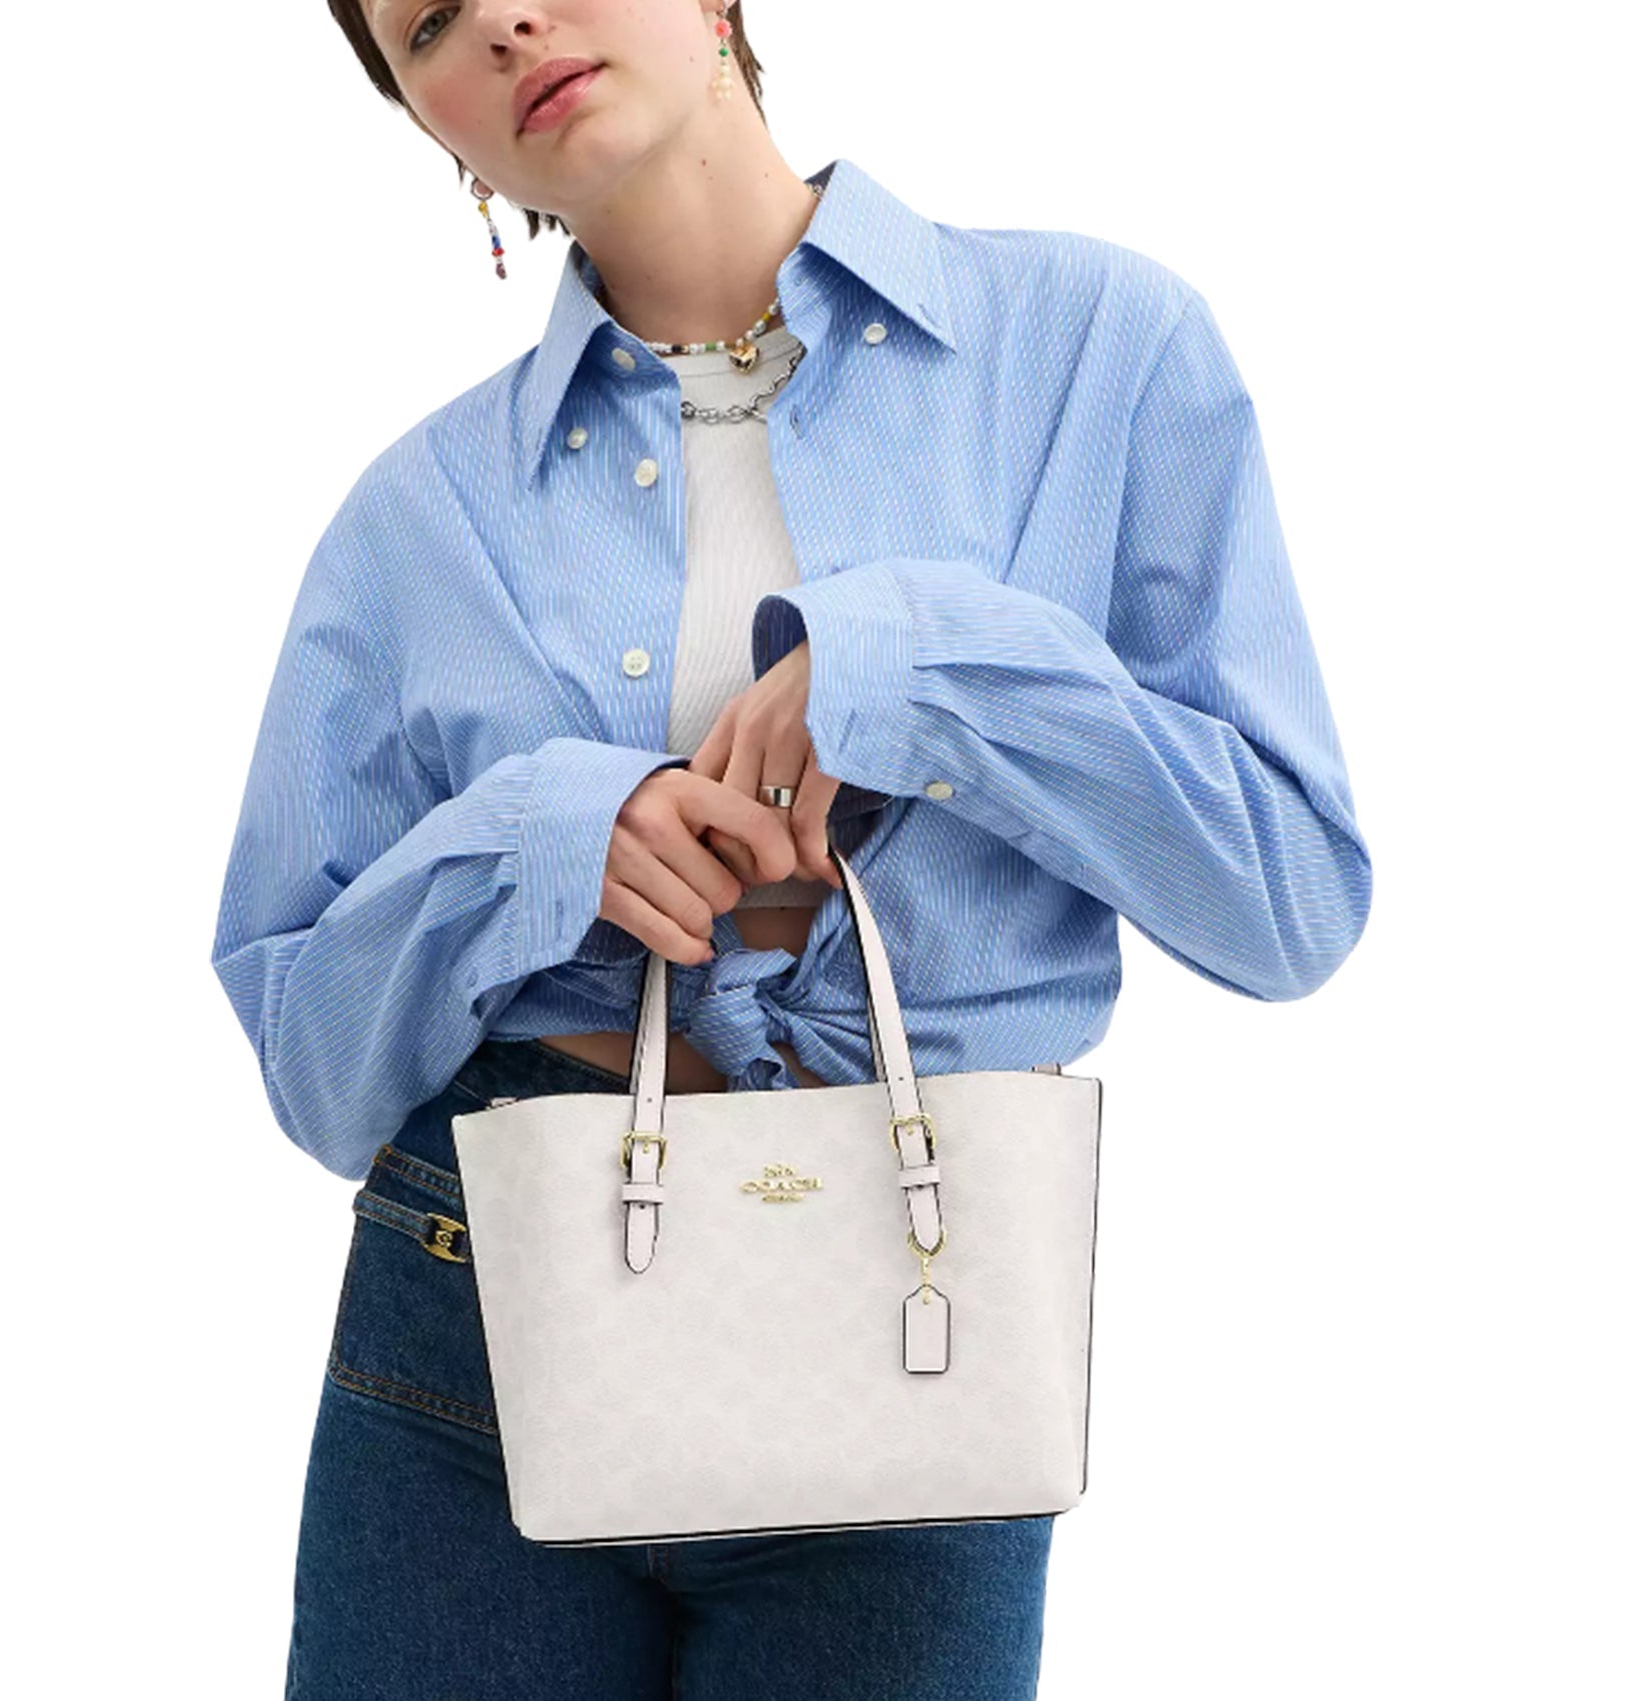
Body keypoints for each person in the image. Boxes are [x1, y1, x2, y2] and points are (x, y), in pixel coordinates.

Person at [209, 2, 1375, 1694]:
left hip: (918, 1322)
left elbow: (1289, 895)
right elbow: (314, 1068)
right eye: (432, 24)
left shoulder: (1094, 350)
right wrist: (541, 843)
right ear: (429, 123)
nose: (506, 22)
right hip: (475, 1330)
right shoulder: (417, 519)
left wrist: (932, 672)